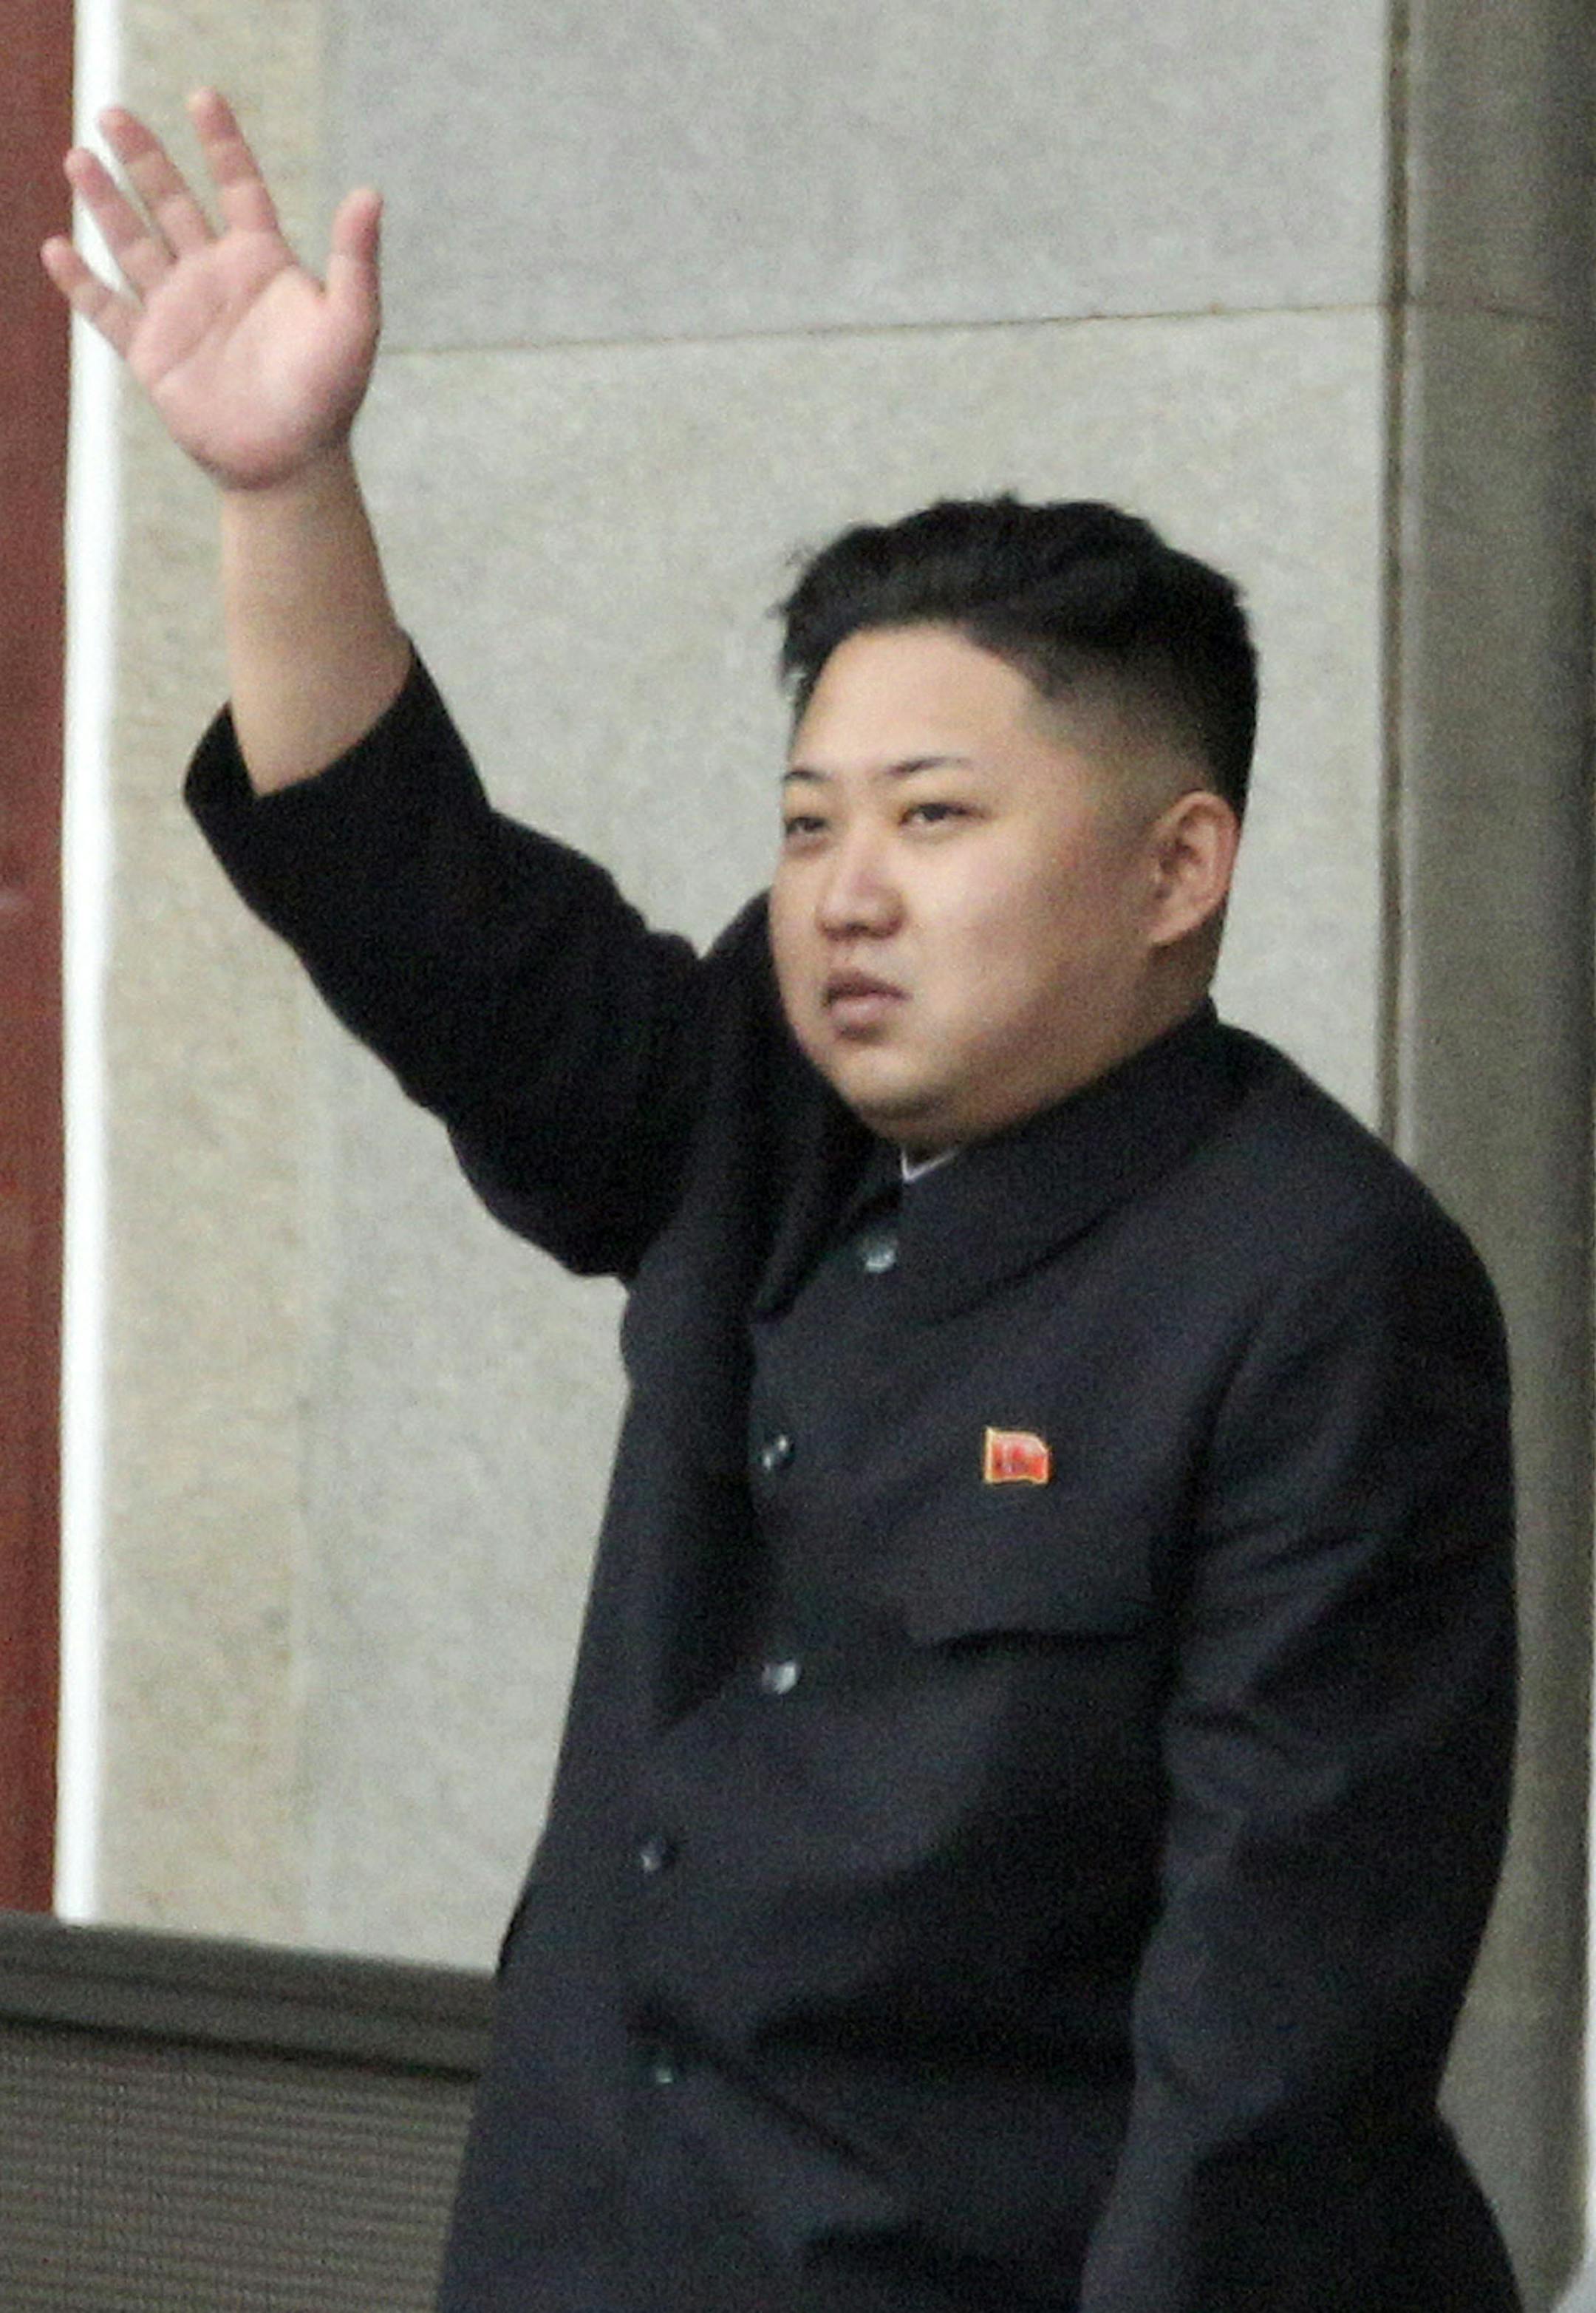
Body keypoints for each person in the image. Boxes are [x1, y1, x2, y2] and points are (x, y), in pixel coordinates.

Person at [44, 92, 1521, 2313]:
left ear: (1176, 868)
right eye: (813, 817)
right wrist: (281, 481)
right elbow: (437, 921)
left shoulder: (1321, 1287)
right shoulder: (768, 1091)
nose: (849, 890)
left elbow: (1278, 2050)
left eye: (934, 817)